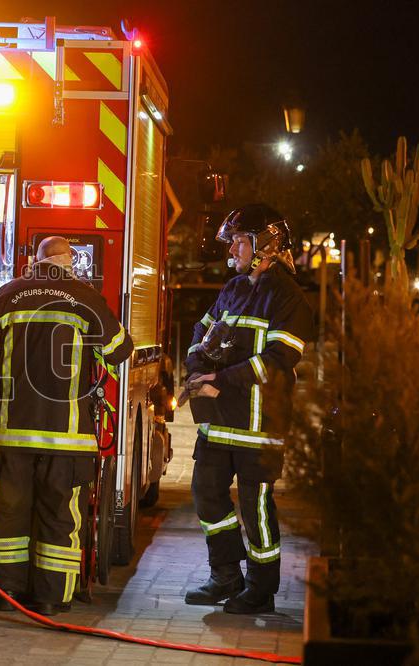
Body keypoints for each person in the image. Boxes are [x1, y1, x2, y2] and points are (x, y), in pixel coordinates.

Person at [0, 236, 133, 616]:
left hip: (13, 432)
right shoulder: (84, 297)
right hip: (68, 437)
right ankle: (51, 597)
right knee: (61, 514)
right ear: (69, 263)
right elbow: (119, 350)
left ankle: (6, 593)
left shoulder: (7, 295)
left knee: (9, 511)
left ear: (35, 261)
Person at [182, 204, 313, 615]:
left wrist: (221, 381)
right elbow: (201, 331)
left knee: (257, 507)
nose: (233, 248)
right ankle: (226, 575)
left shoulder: (288, 296)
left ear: (267, 244)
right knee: (206, 494)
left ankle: (261, 588)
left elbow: (277, 359)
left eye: (240, 240)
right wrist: (197, 368)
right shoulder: (234, 288)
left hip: (260, 425)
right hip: (219, 425)